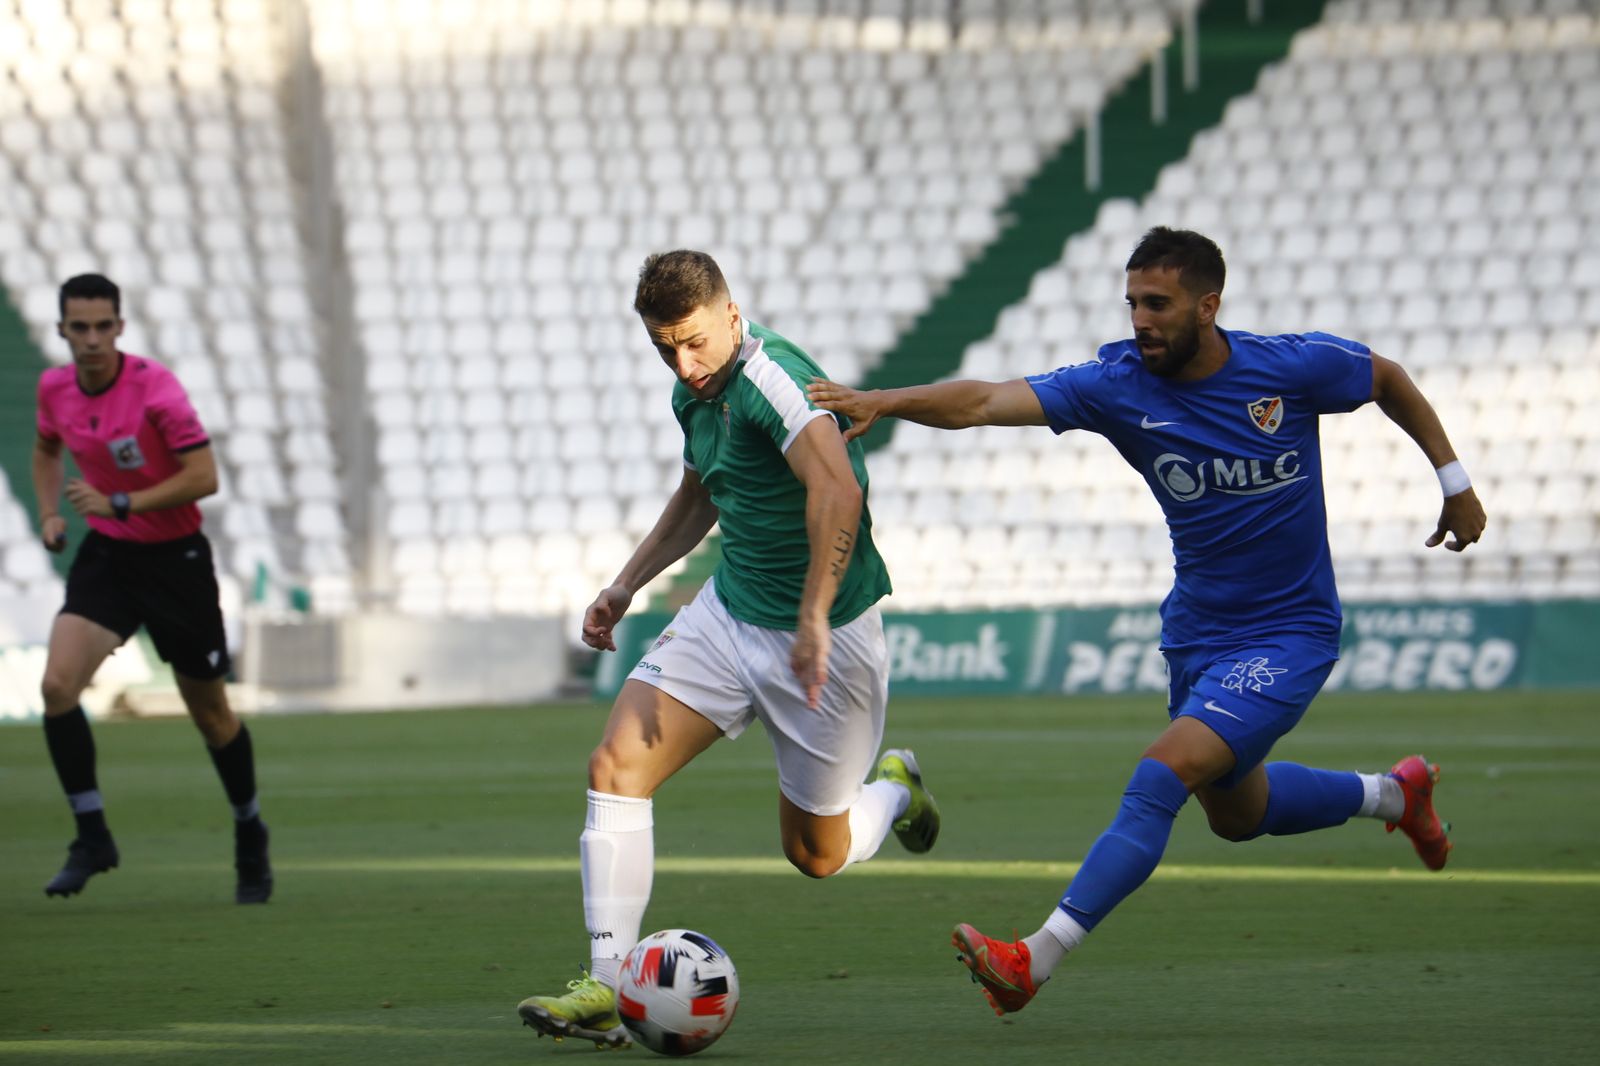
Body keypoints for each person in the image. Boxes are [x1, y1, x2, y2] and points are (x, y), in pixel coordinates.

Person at [807, 227, 1486, 1016]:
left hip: (1288, 634)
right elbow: (989, 400)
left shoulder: (1288, 368)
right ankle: (1395, 797)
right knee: (1239, 814)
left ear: (1209, 304)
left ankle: (1034, 958)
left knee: (1160, 774)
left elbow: (1385, 378)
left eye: (1157, 303)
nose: (1140, 319)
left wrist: (1454, 480)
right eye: (1132, 302)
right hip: (1198, 633)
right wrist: (882, 402)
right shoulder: (1116, 383)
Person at [516, 250, 939, 1048]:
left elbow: (840, 488)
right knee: (615, 767)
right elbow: (702, 491)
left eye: (694, 342)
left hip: (826, 641)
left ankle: (892, 789)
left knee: (818, 854)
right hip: (730, 612)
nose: (684, 362)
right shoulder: (693, 387)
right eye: (664, 347)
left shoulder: (772, 379)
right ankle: (607, 987)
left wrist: (813, 615)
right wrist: (626, 583)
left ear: (730, 313)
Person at [32, 273, 272, 904]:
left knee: (212, 717)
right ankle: (92, 835)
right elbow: (46, 448)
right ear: (61, 330)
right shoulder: (54, 387)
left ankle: (249, 828)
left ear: (119, 327)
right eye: (78, 328)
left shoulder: (154, 389)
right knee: (57, 685)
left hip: (177, 563)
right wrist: (50, 512)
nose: (90, 339)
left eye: (101, 326)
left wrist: (122, 499)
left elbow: (205, 476)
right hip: (110, 557)